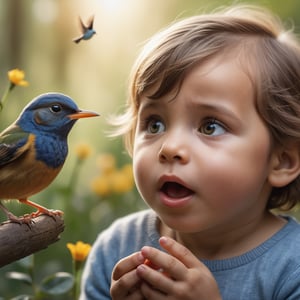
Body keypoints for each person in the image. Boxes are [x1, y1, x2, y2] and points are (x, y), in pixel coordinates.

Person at [80, 4, 300, 299]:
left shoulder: (291, 270)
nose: (169, 147)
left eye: (210, 127)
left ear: (282, 161)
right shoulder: (117, 249)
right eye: (155, 124)